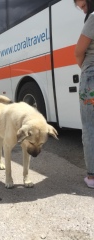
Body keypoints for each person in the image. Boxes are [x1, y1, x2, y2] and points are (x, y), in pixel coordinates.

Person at [74, 0, 94, 188]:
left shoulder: (93, 18)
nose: (83, 11)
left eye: (83, 5)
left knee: (89, 126)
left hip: (91, 77)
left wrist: (86, 68)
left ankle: (93, 177)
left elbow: (78, 52)